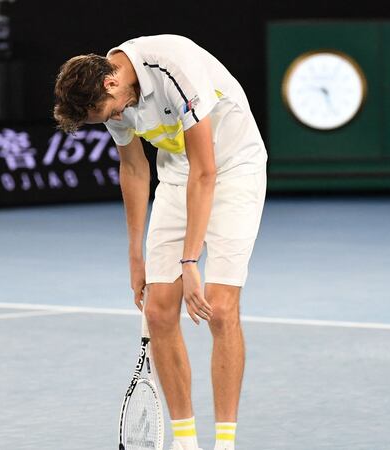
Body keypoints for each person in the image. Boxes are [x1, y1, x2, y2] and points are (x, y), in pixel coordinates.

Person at [53, 34, 267, 450]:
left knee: (220, 310)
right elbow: (133, 169)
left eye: (110, 111)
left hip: (234, 167)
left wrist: (190, 263)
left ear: (111, 83)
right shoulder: (110, 97)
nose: (117, 116)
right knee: (159, 311)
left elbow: (206, 173)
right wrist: (136, 256)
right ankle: (186, 445)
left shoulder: (174, 65)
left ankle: (225, 445)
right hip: (177, 173)